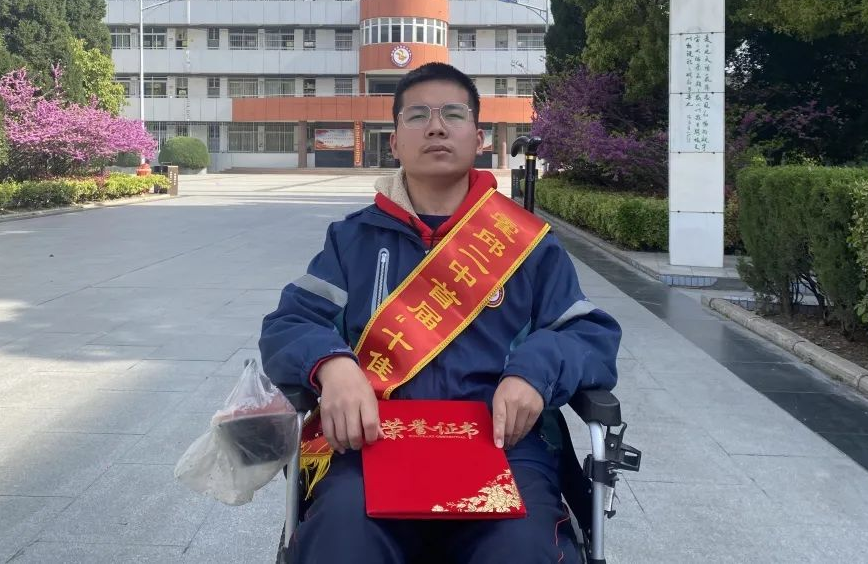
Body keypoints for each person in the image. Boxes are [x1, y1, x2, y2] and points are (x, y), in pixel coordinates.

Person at [260, 62, 621, 564]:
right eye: (417, 116)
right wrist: (334, 366)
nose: (435, 126)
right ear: (395, 142)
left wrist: (534, 373)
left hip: (503, 445)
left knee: (521, 549)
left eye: (453, 114)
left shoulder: (527, 245)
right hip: (375, 443)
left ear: (478, 137)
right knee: (343, 539)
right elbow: (289, 323)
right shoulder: (352, 239)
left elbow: (588, 333)